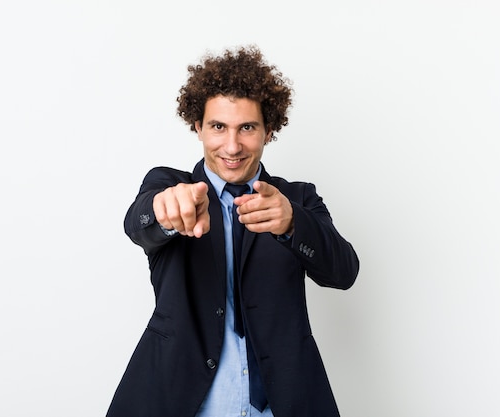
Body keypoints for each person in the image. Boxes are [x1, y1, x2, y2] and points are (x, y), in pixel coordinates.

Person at [106, 45, 359, 417]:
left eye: (248, 128)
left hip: (282, 403)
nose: (232, 146)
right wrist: (166, 211)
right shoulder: (169, 184)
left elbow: (344, 272)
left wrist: (293, 223)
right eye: (218, 127)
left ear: (268, 130)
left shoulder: (297, 199)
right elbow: (138, 223)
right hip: (181, 400)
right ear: (197, 127)